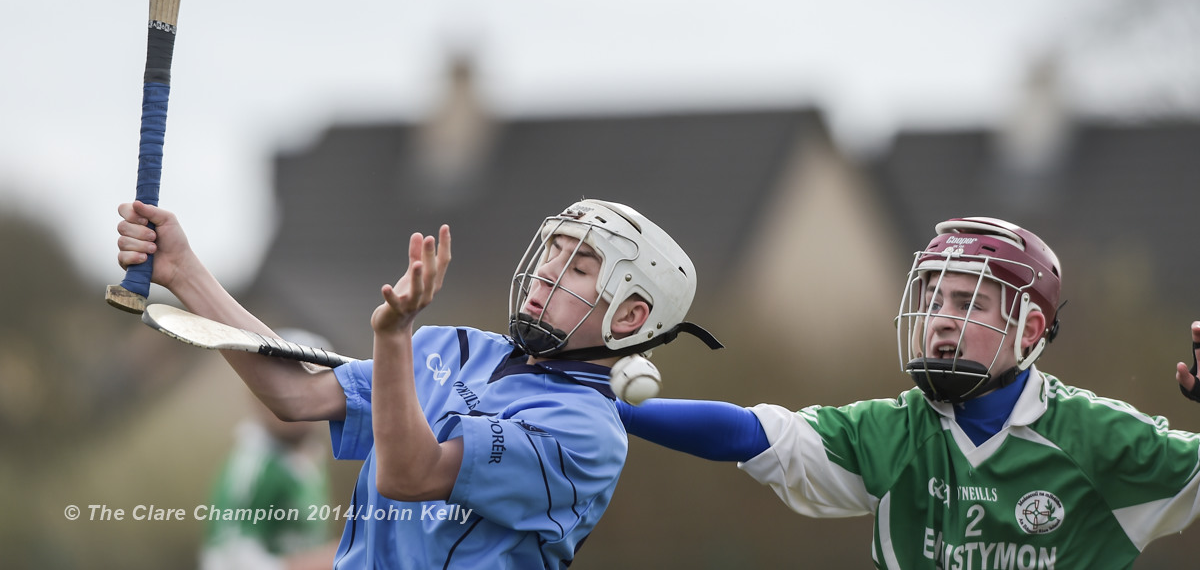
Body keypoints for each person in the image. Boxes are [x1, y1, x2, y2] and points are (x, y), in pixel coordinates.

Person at [117, 197, 718, 568]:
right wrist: (183, 270)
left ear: (632, 317)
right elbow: (294, 393)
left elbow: (410, 475)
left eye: (579, 268)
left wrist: (393, 334)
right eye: (553, 253)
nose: (546, 274)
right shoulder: (453, 346)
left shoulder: (587, 436)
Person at [618, 216, 1200, 569]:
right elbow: (748, 433)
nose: (941, 319)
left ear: (1027, 329)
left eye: (968, 302)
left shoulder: (1098, 438)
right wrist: (606, 405)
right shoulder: (893, 433)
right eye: (934, 300)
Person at [200, 328, 340, 570]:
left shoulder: (309, 455)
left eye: (313, 383)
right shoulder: (254, 470)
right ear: (254, 394)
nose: (298, 397)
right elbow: (225, 563)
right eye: (283, 386)